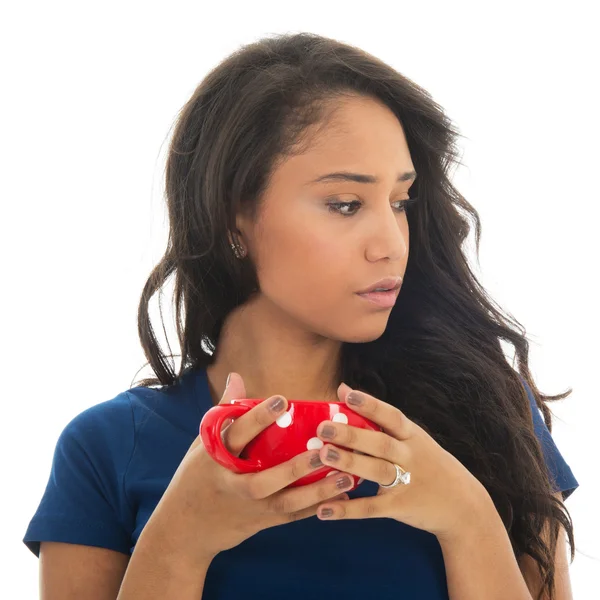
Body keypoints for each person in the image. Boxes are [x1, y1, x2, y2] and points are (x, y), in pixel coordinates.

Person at [23, 32, 579, 600]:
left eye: (400, 202)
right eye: (345, 204)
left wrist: (467, 518)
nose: (391, 244)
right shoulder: (106, 448)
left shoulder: (491, 414)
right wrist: (179, 541)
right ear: (233, 217)